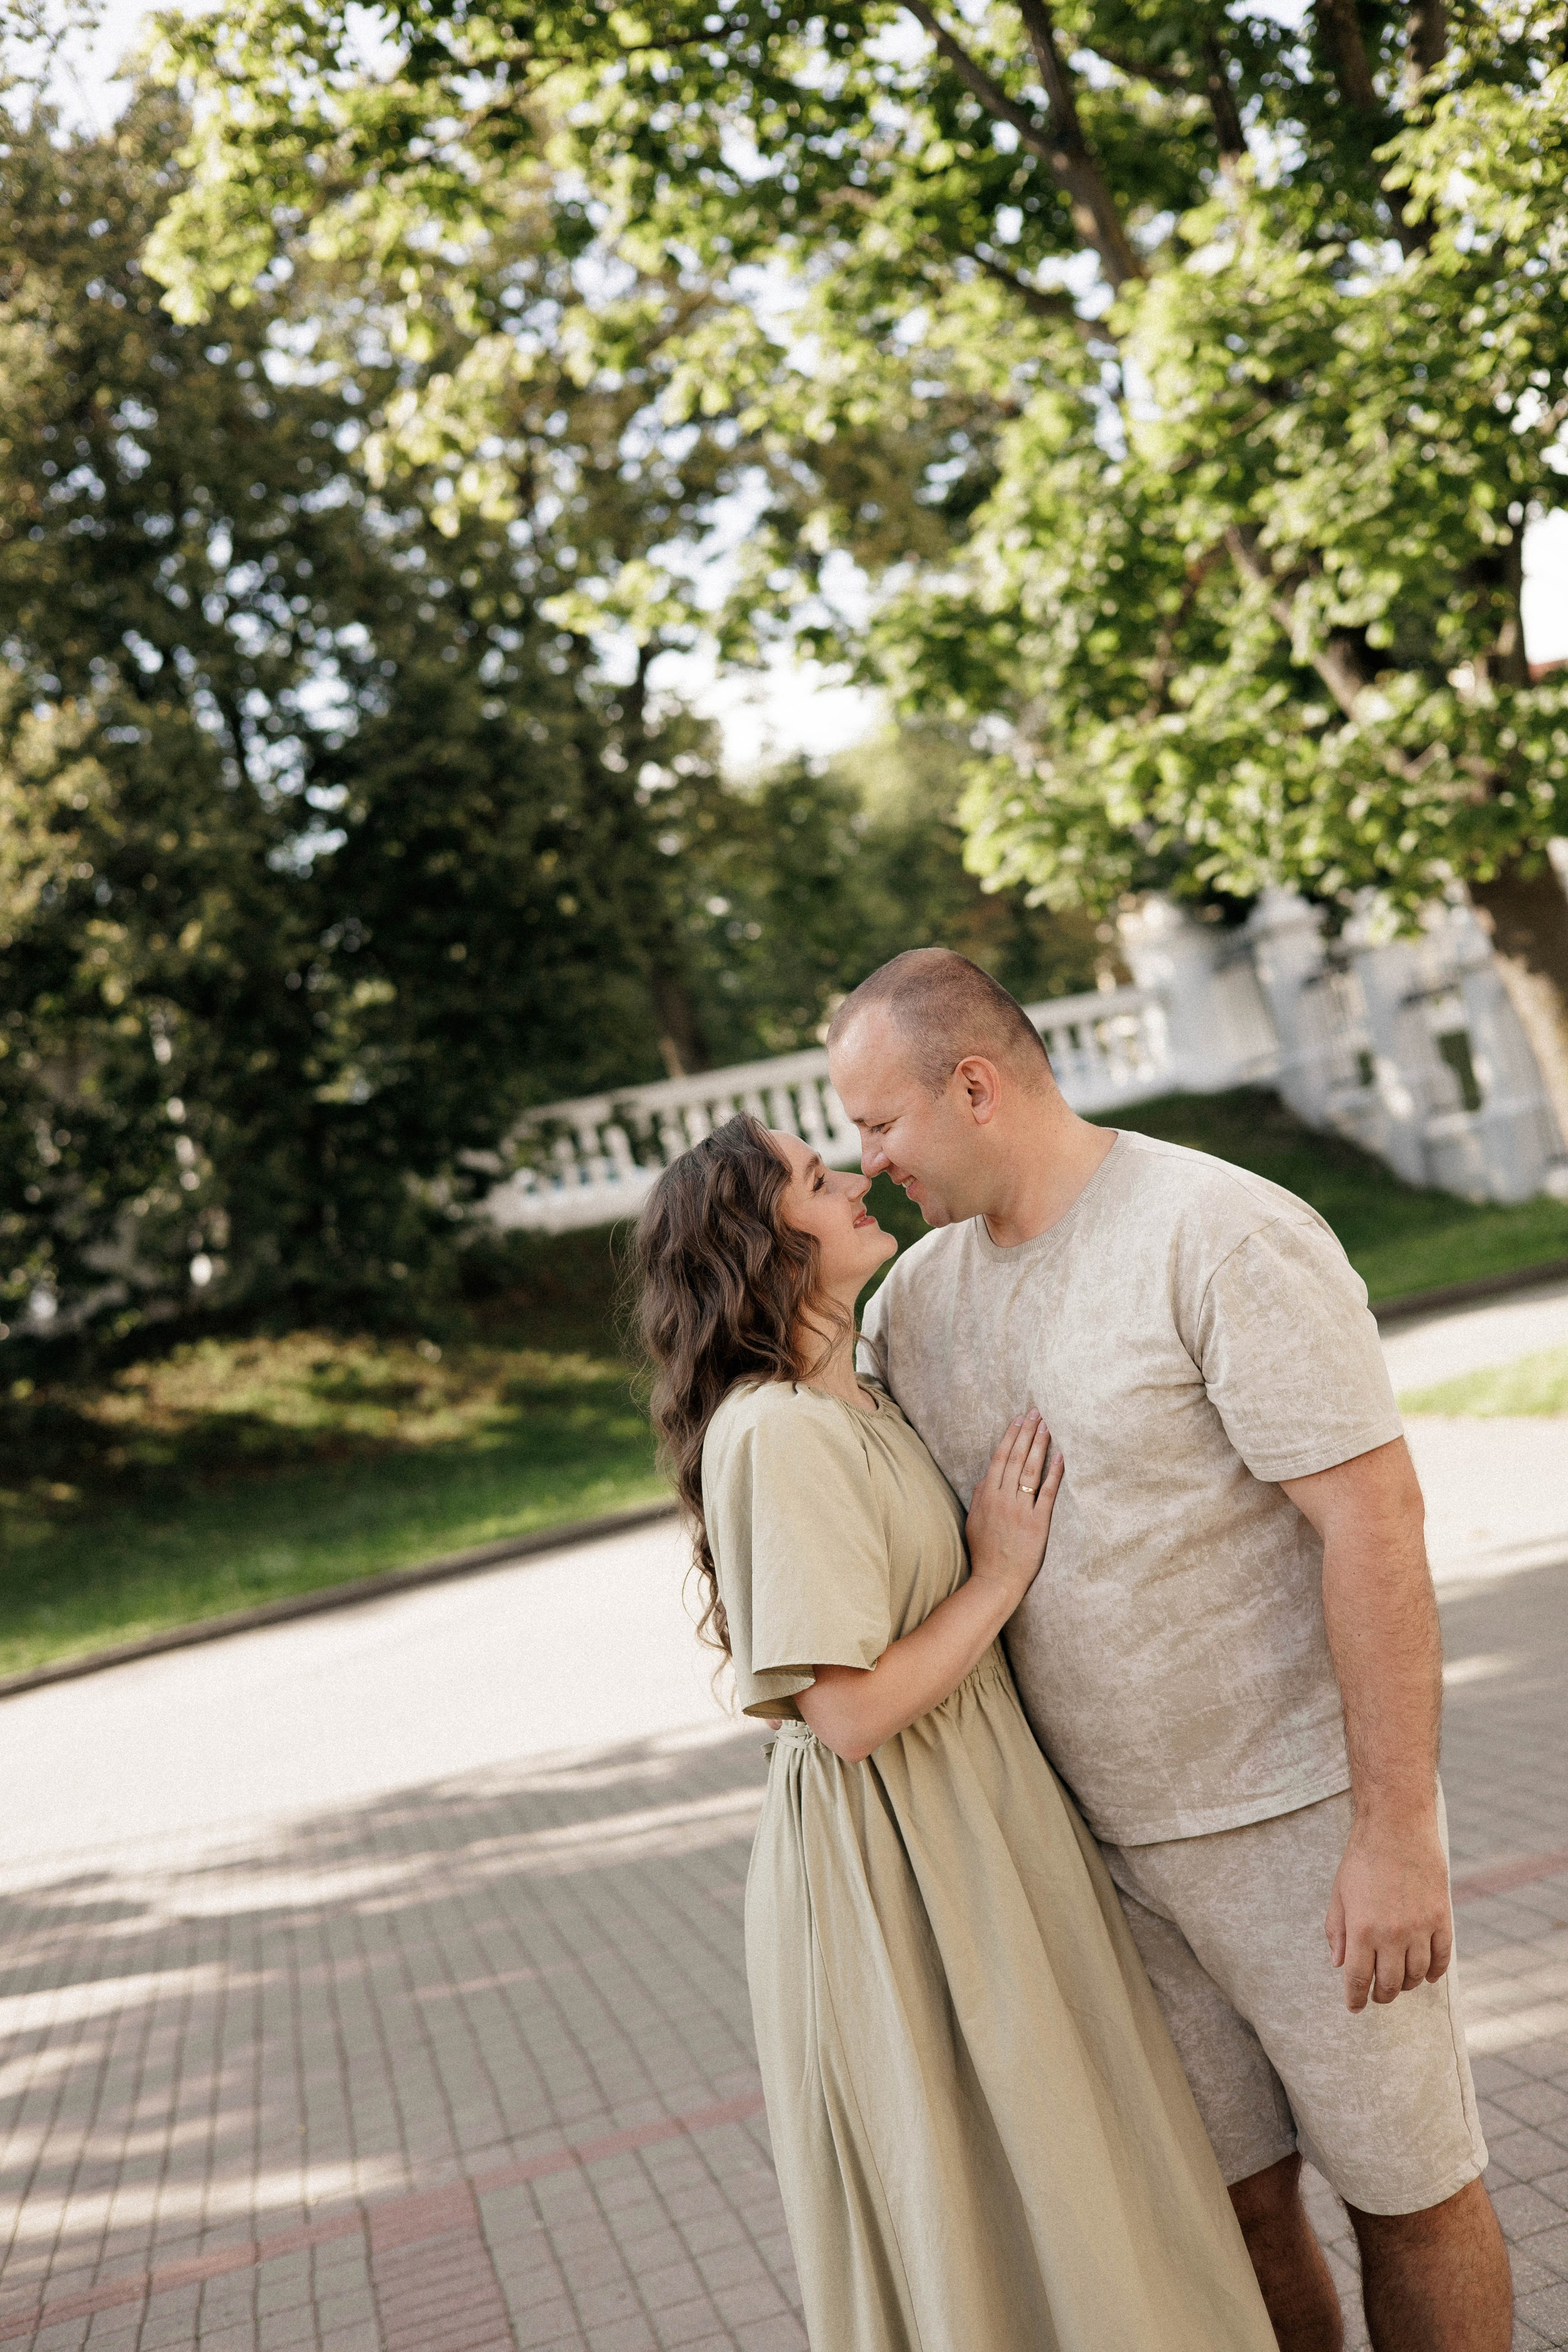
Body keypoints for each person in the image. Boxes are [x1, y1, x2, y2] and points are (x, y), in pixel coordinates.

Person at [824, 945, 1513, 2352]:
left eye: (877, 1123)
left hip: (1301, 1834)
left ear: (973, 1087)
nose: (866, 1159)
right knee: (1226, 2220)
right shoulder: (914, 1303)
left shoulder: (1216, 1232)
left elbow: (1372, 1524)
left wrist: (1393, 1835)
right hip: (1092, 1866)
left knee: (1409, 2198)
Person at [635, 1112, 1277, 2352]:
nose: (856, 1176)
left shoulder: (857, 1399)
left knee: (1070, 2191)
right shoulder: (776, 1433)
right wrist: (999, 1572)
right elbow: (848, 1712)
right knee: (1001, 2212)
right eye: (815, 1179)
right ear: (760, 1247)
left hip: (973, 1825)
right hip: (902, 1862)